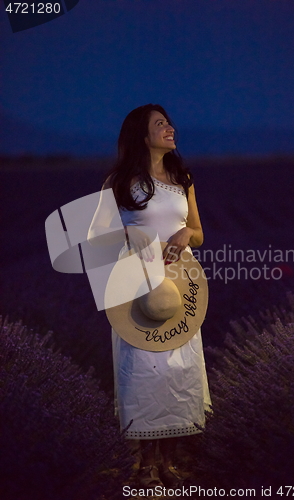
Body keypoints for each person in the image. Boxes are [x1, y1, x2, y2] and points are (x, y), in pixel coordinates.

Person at [89, 104, 211, 488]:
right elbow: (97, 239)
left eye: (169, 122)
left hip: (180, 285)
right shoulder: (120, 182)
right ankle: (144, 464)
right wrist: (131, 240)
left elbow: (198, 232)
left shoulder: (182, 177)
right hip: (138, 286)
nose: (170, 127)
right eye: (160, 124)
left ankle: (170, 459)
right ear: (142, 136)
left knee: (179, 369)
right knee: (142, 370)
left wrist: (184, 235)